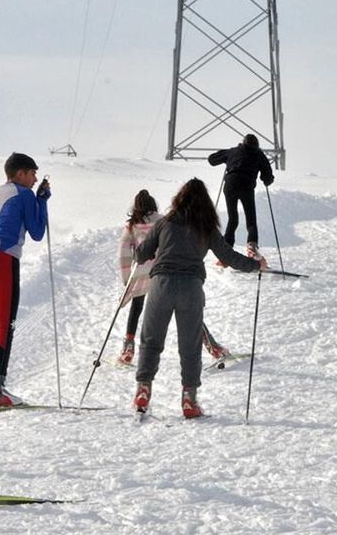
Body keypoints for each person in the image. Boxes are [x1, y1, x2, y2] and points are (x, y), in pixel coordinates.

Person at [132, 178, 266, 419]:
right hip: (191, 289)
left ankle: (143, 390)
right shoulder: (206, 227)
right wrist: (255, 265)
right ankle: (189, 400)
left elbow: (141, 254)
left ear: (179, 199)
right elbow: (229, 256)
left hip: (161, 286)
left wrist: (138, 248)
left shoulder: (165, 223)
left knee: (151, 340)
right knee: (190, 346)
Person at [116, 190, 231, 366]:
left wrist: (127, 281)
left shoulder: (131, 226)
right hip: (163, 271)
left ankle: (128, 349)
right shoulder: (163, 220)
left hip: (140, 273)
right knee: (188, 311)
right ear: (153, 205)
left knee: (136, 308)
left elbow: (123, 253)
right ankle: (212, 347)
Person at [0, 152, 50, 409]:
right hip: (4, 258)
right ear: (20, 174)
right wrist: (42, 201)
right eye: (32, 173)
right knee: (5, 321)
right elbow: (37, 232)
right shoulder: (24, 193)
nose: (35, 178)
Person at [207, 134, 274, 258]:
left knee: (233, 219)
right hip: (246, 186)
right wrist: (266, 180)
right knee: (251, 220)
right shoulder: (259, 154)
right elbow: (268, 177)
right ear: (256, 146)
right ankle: (252, 248)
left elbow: (211, 160)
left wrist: (225, 157)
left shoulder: (233, 151)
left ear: (243, 143)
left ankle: (226, 252)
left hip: (230, 184)